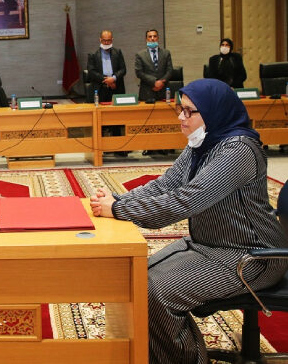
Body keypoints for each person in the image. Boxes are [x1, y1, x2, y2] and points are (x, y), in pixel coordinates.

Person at [90, 79, 288, 364]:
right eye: (180, 110)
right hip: (210, 243)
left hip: (252, 256)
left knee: (155, 292)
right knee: (133, 278)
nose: (180, 118)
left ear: (213, 111)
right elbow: (165, 185)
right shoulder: (204, 141)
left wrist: (119, 209)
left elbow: (185, 201)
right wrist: (120, 199)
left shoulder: (238, 151)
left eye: (189, 111)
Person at [87, 30, 128, 156]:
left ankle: (118, 148)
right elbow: (91, 71)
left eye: (108, 40)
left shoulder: (117, 52)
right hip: (100, 89)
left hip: (116, 88)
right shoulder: (93, 54)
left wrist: (114, 78)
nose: (106, 43)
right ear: (100, 40)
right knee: (101, 120)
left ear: (112, 40)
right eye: (104, 40)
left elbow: (123, 69)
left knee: (116, 119)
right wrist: (106, 80)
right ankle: (102, 147)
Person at [134, 29, 173, 102]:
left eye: (155, 36)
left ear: (158, 38)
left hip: (163, 91)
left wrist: (161, 82)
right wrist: (154, 82)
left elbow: (170, 70)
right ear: (146, 39)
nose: (152, 38)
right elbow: (139, 72)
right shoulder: (140, 55)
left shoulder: (166, 53)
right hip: (147, 92)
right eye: (150, 36)